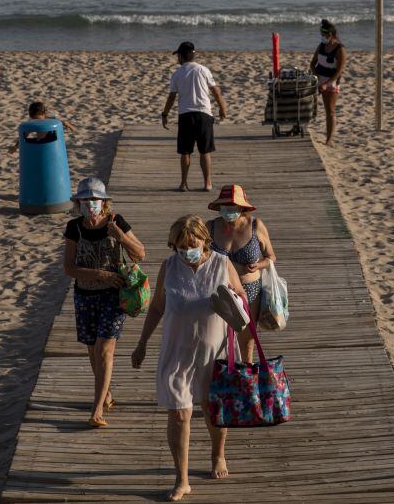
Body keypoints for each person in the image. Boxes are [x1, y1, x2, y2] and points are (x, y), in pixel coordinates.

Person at [131, 214, 246, 502]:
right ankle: (181, 479)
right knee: (179, 413)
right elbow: (157, 307)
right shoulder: (169, 267)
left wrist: (234, 299)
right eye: (180, 247)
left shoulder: (221, 264)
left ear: (205, 243)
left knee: (211, 408)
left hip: (214, 350)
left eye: (191, 246)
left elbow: (243, 300)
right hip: (176, 350)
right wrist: (142, 343)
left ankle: (218, 454)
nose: (186, 252)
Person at [63, 177, 146, 428]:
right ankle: (106, 395)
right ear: (78, 203)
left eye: (95, 200)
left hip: (114, 295)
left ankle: (97, 409)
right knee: (92, 349)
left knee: (104, 351)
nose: (90, 205)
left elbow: (141, 253)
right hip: (85, 295)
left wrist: (120, 236)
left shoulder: (115, 222)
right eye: (85, 200)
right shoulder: (74, 227)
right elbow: (69, 268)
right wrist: (100, 274)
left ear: (104, 202)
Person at [206, 185, 276, 363]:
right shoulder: (211, 227)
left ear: (241, 207)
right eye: (224, 207)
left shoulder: (255, 226)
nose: (228, 211)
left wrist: (259, 265)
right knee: (216, 338)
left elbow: (271, 257)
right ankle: (222, 378)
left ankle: (246, 380)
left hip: (250, 289)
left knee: (247, 341)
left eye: (232, 207)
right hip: (219, 289)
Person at [161, 42, 227, 192]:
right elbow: (215, 91)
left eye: (178, 55)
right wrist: (222, 107)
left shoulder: (177, 73)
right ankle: (207, 183)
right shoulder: (204, 70)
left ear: (182, 56)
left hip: (186, 115)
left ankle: (184, 184)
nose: (177, 58)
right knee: (205, 151)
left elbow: (171, 97)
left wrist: (165, 114)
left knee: (185, 152)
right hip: (204, 114)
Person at [310, 20, 346, 146]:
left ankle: (329, 139)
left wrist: (327, 84)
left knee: (330, 111)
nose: (322, 36)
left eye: (323, 34)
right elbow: (312, 63)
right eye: (321, 33)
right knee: (318, 108)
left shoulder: (339, 49)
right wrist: (316, 76)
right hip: (319, 80)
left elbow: (339, 71)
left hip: (331, 83)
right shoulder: (321, 46)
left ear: (330, 34)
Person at [8, 101, 76, 153]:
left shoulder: (49, 120)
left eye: (38, 119)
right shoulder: (33, 123)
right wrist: (15, 146)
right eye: (34, 119)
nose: (36, 121)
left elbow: (63, 122)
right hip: (41, 144)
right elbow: (24, 135)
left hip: (50, 143)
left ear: (43, 114)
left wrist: (70, 127)